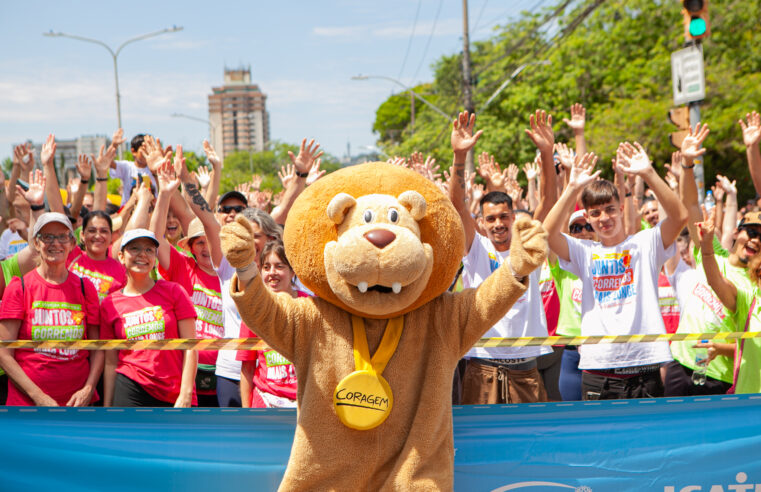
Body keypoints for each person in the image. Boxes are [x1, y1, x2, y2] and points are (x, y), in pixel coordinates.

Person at [543, 142, 688, 400]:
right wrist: (572, 186)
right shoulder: (583, 251)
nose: (604, 218)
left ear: (621, 209)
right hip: (598, 369)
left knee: (646, 440)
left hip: (645, 365)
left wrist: (648, 173)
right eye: (596, 213)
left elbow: (679, 216)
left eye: (610, 209)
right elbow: (547, 232)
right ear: (587, 217)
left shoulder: (645, 243)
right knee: (599, 440)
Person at [448, 110, 557, 404]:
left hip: (526, 368)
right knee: (481, 447)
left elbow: (548, 200)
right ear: (481, 222)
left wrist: (547, 153)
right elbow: (456, 205)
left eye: (504, 217)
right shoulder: (476, 248)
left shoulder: (528, 244)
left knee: (531, 446)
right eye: (491, 218)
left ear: (514, 216)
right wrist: (459, 156)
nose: (498, 224)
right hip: (481, 366)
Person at [0, 213, 101, 406]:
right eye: (47, 237)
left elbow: (97, 347)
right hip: (27, 404)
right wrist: (38, 396)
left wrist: (88, 388)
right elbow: (3, 351)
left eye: (62, 236)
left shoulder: (85, 287)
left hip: (77, 404)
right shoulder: (19, 287)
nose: (56, 243)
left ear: (72, 244)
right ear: (36, 244)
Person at [152, 158, 223, 407]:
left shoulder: (231, 274)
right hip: (187, 373)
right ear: (190, 247)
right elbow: (156, 238)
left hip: (226, 374)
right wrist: (164, 194)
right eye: (199, 242)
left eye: (209, 240)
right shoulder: (184, 268)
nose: (206, 247)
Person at [100, 229, 197, 407]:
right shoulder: (109, 303)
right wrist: (107, 406)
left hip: (172, 391)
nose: (142, 254)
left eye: (149, 250)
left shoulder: (174, 292)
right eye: (135, 248)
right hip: (130, 384)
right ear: (121, 256)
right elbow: (110, 360)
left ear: (155, 258)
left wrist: (186, 393)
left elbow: (191, 347)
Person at [238, 241, 305, 408]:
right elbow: (246, 369)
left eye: (279, 266)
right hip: (265, 402)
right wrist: (248, 414)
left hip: (303, 404)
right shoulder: (252, 310)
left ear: (292, 271)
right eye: (266, 267)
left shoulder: (309, 306)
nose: (272, 273)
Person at [551, 210, 596, 401]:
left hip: (599, 349)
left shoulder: (610, 259)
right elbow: (551, 233)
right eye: (576, 228)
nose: (583, 232)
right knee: (571, 415)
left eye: (589, 226)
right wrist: (570, 187)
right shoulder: (562, 267)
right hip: (570, 352)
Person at [68, 211, 127, 302]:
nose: (98, 236)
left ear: (111, 236)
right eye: (92, 231)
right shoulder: (72, 255)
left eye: (104, 231)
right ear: (83, 235)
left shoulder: (120, 270)